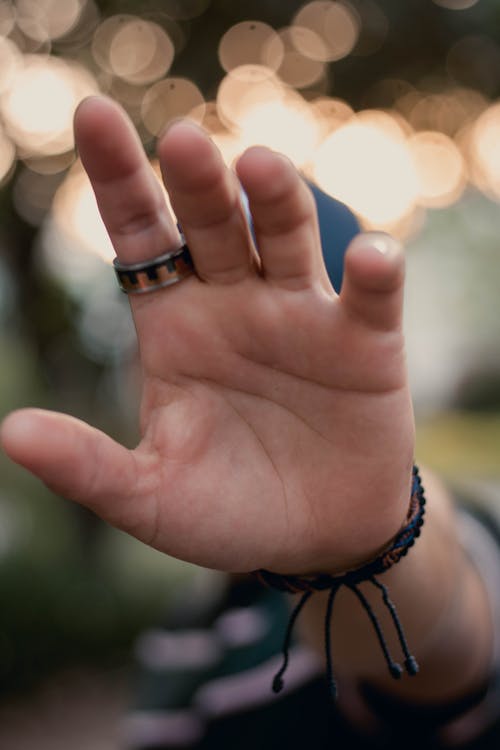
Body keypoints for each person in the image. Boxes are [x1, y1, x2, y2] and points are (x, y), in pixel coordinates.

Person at [0, 96, 499, 748]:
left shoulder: (427, 527)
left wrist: (360, 554)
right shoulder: (186, 627)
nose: (227, 386)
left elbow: (440, 645)